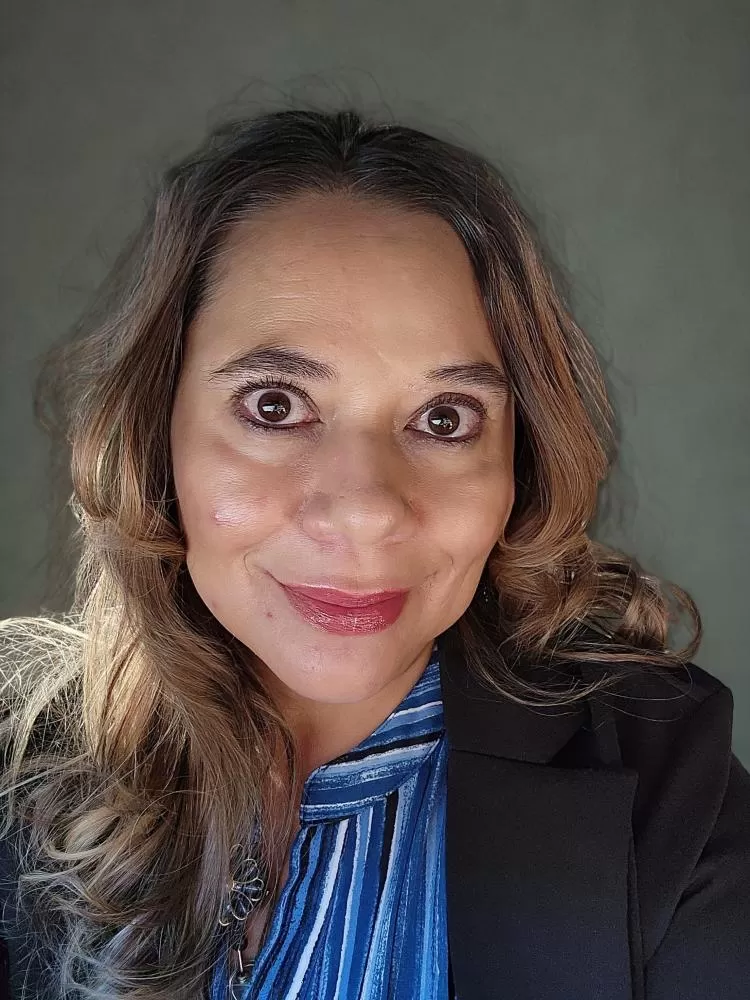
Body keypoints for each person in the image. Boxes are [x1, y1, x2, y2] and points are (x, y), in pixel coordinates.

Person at [0, 107, 748, 1000]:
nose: (364, 512)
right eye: (275, 405)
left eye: (444, 419)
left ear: (519, 463)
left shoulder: (668, 796)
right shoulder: (14, 759)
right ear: (153, 435)